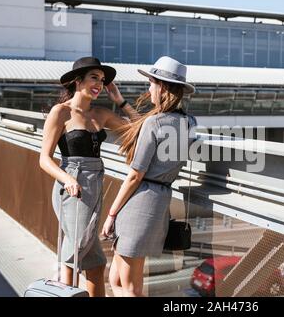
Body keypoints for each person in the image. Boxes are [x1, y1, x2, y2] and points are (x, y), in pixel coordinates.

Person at [39, 56, 139, 297]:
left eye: (103, 80)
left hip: (94, 184)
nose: (100, 84)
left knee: (94, 262)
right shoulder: (60, 113)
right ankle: (64, 291)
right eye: (94, 77)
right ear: (77, 81)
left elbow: (138, 127)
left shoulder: (101, 114)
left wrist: (120, 100)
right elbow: (44, 158)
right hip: (72, 186)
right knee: (76, 251)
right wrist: (68, 179)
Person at [101, 56, 196, 297]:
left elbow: (135, 175)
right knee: (117, 279)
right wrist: (121, 102)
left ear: (162, 86)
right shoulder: (189, 123)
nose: (149, 88)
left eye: (151, 83)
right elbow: (146, 126)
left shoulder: (155, 123)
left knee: (129, 285)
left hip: (140, 201)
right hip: (158, 199)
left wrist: (111, 214)